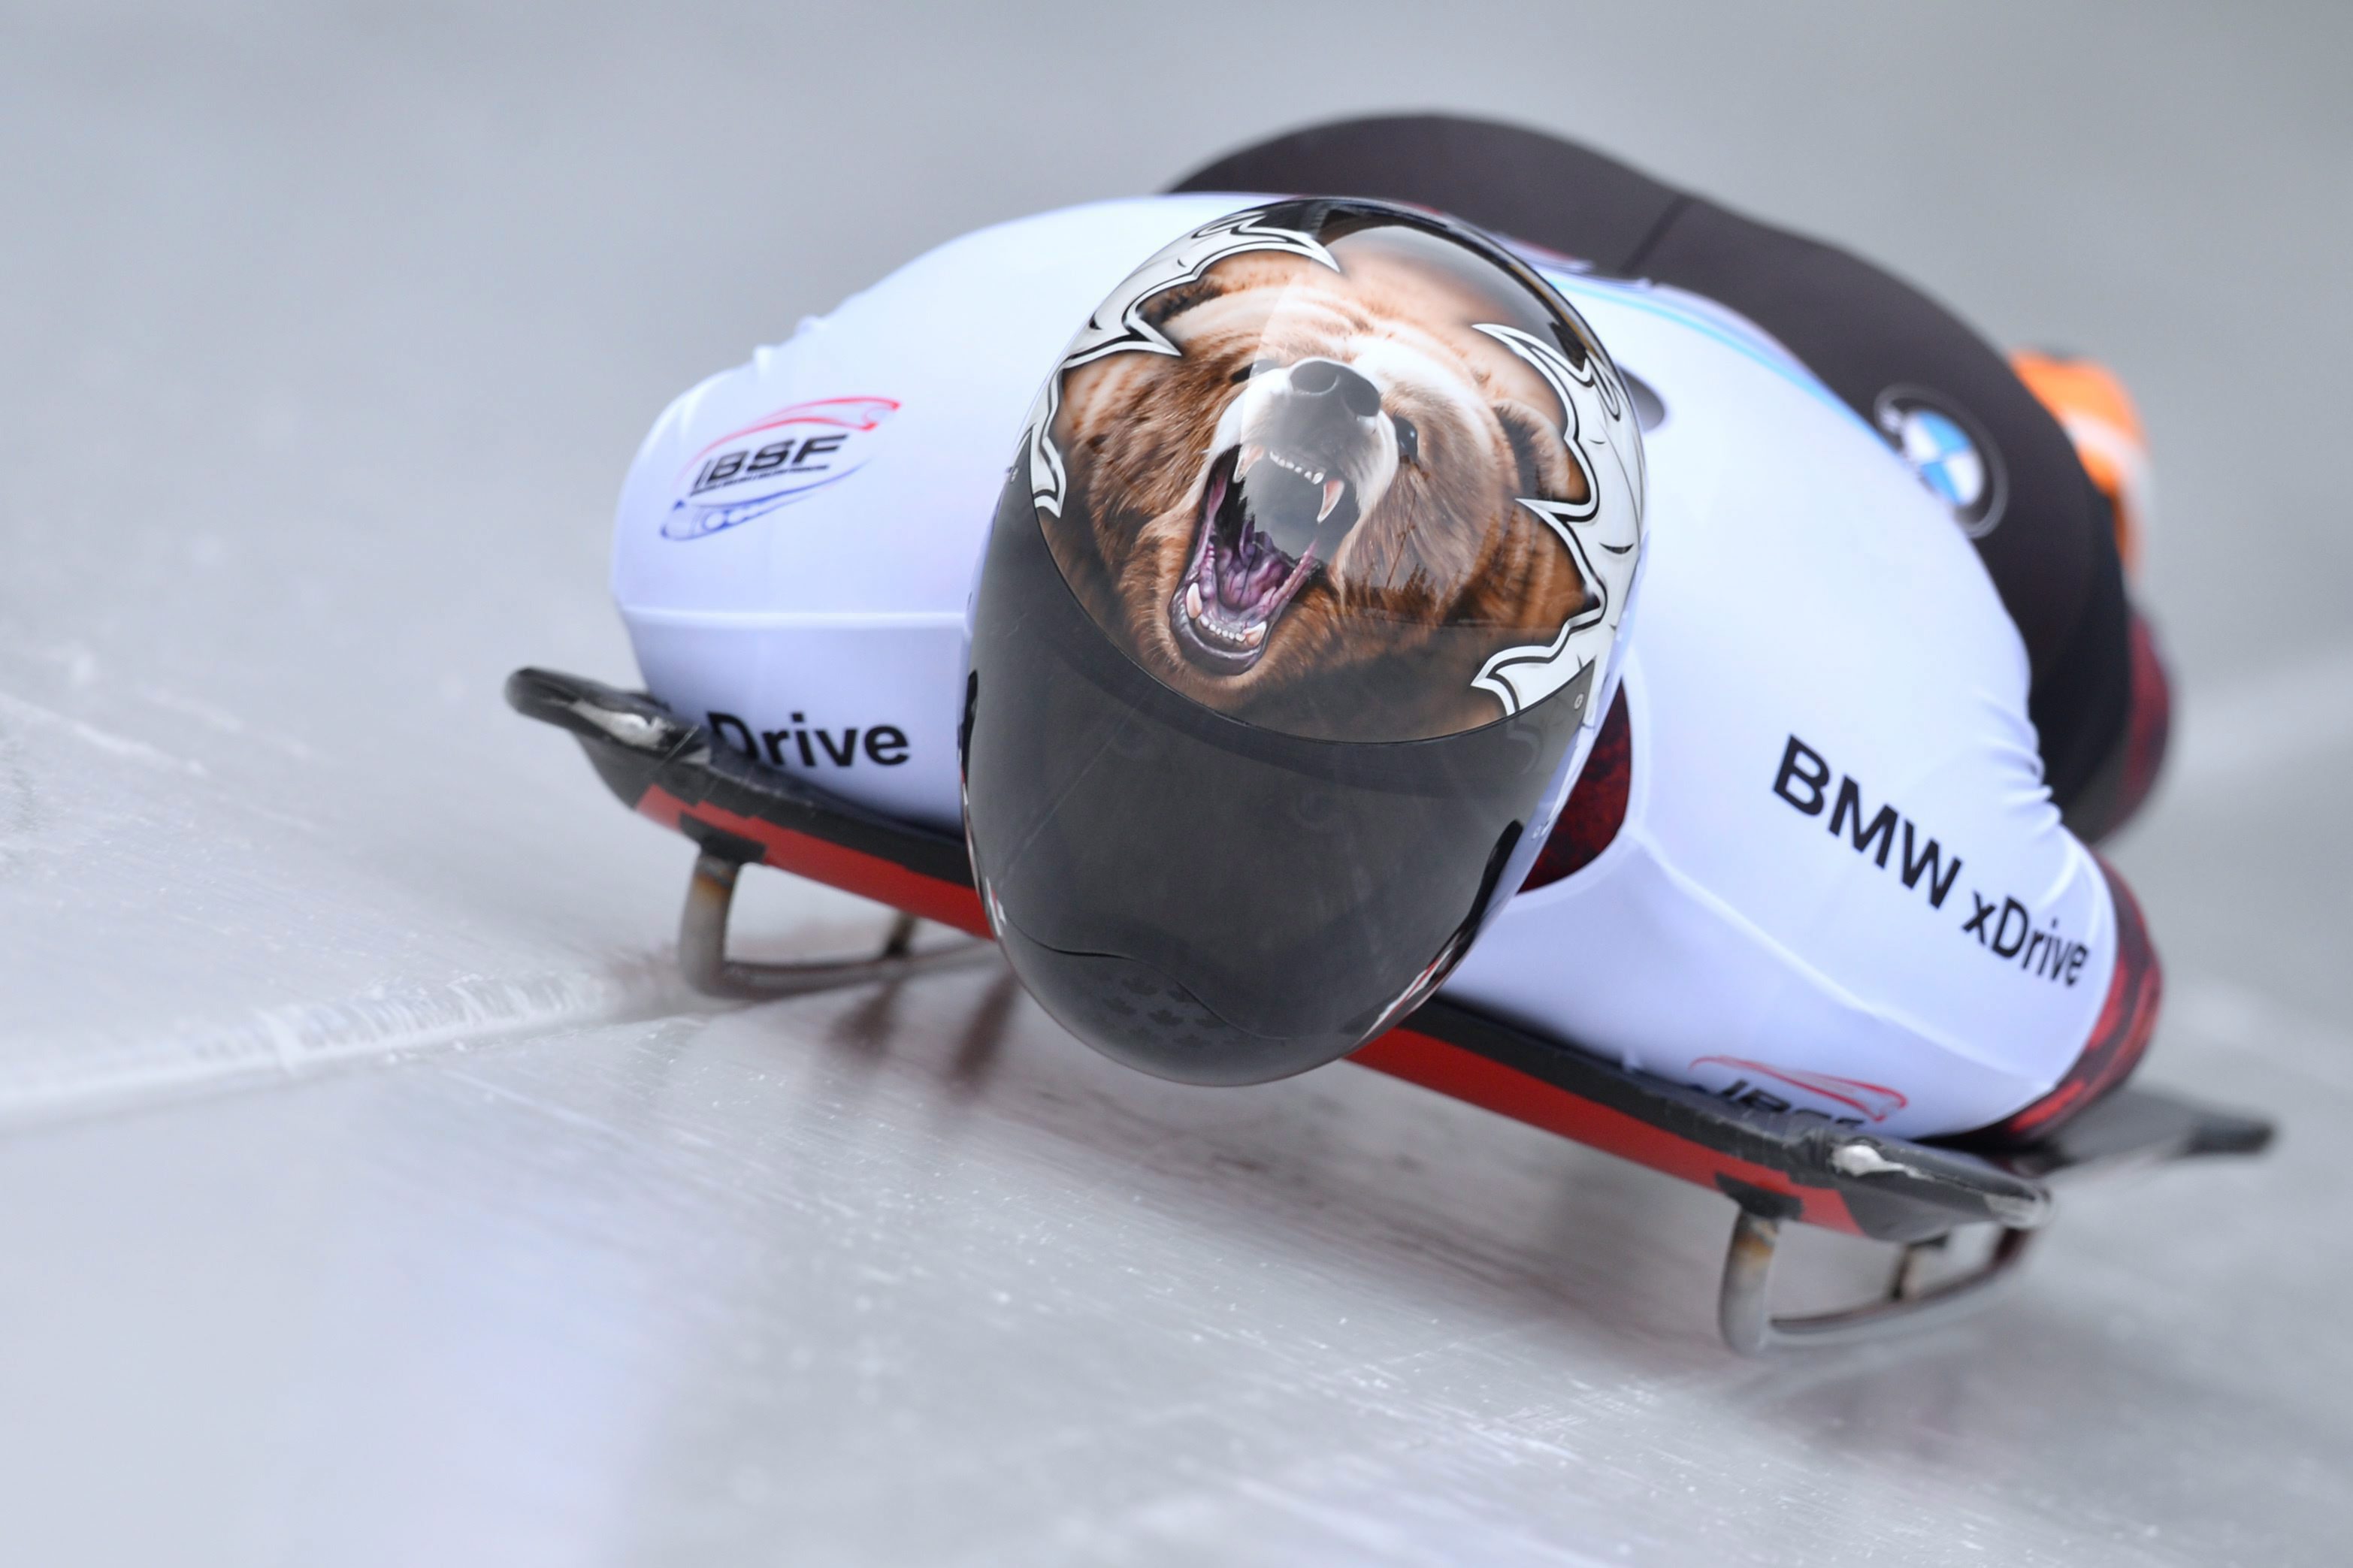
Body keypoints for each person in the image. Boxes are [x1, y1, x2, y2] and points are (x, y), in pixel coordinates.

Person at [609, 116, 2169, 1142]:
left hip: (1878, 429)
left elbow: (2085, 993)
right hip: (1304, 236)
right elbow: (2091, 1025)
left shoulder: (1806, 862)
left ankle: (2080, 460)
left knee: (2111, 725)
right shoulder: (767, 562)